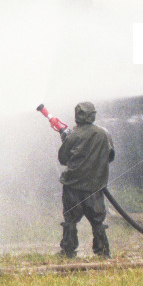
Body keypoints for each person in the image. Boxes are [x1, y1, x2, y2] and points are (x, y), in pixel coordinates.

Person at [57, 101, 115, 258]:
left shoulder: (72, 135)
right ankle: (103, 252)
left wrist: (65, 140)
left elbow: (63, 159)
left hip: (72, 186)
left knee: (70, 219)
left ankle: (68, 251)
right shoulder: (104, 134)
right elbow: (109, 157)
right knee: (97, 220)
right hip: (95, 186)